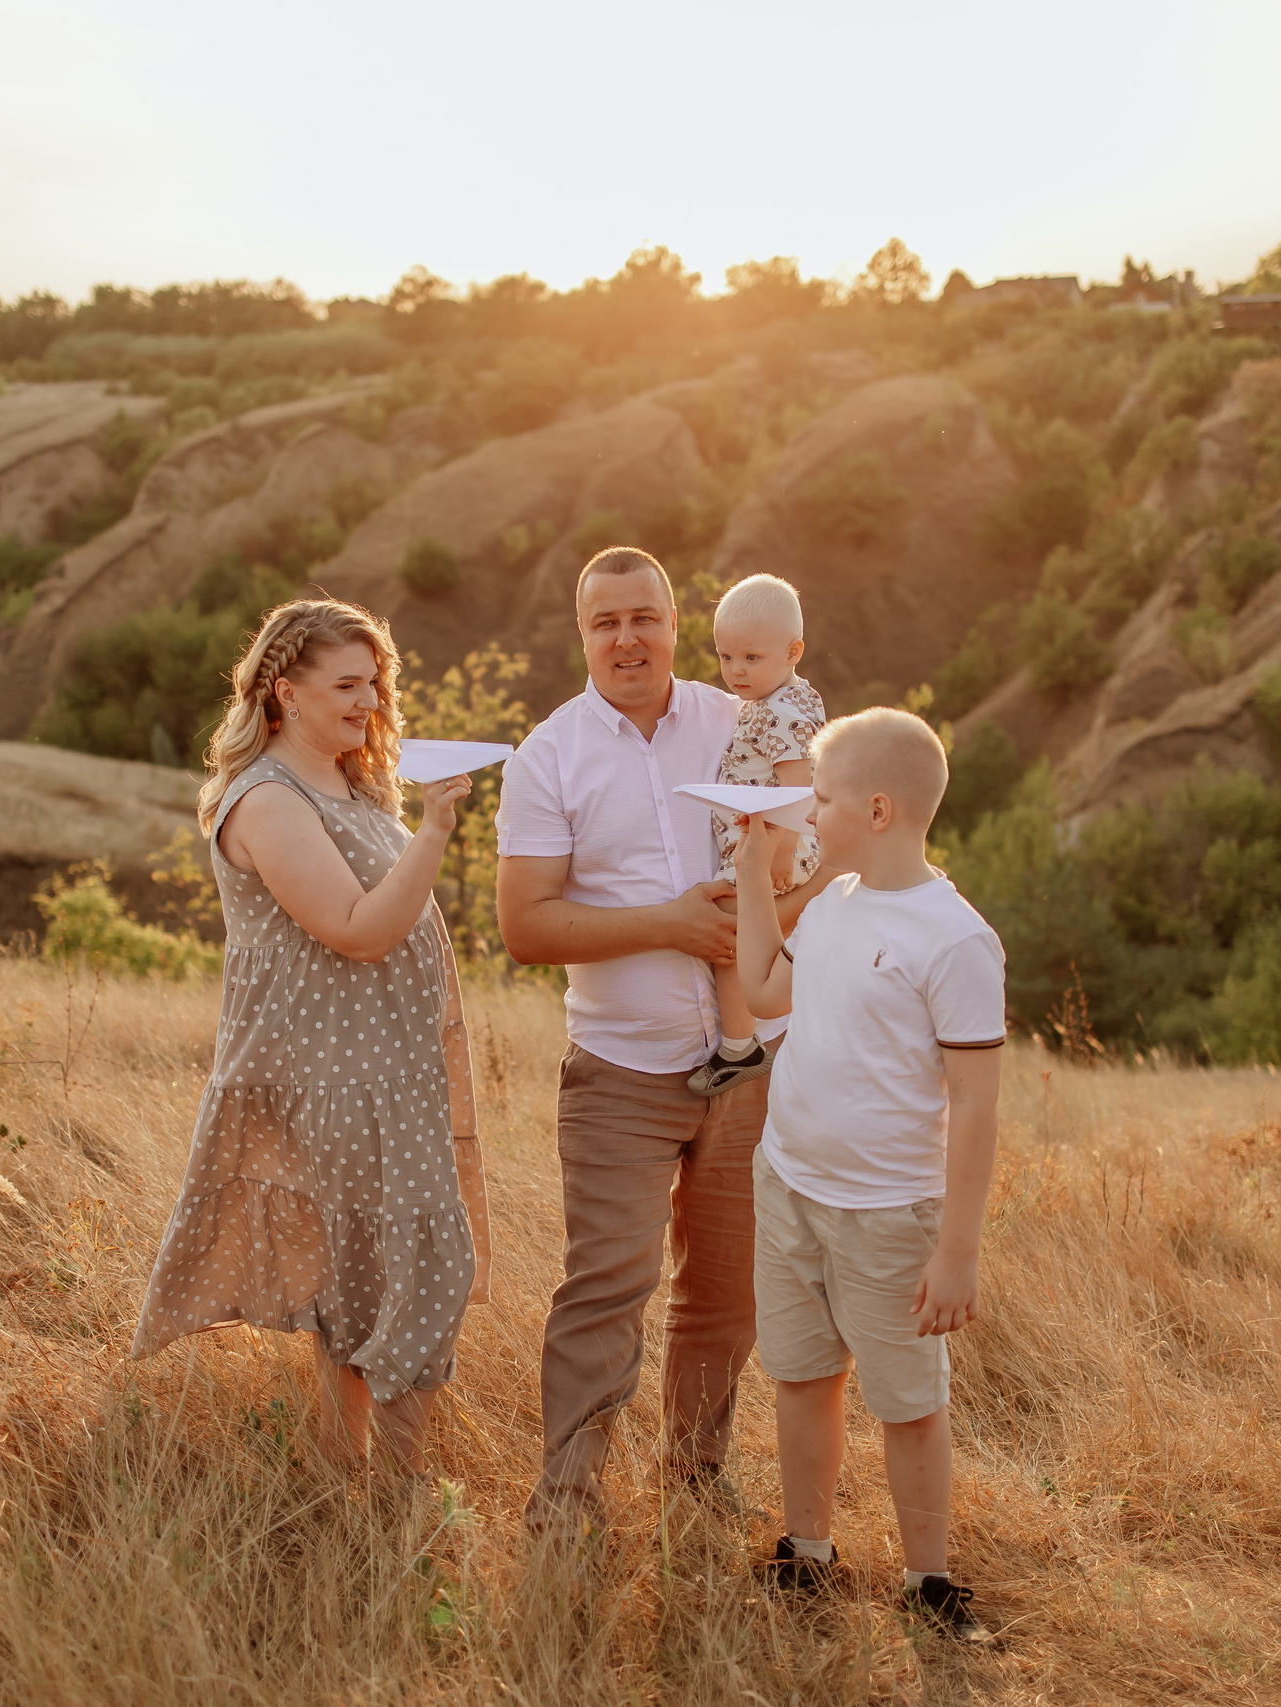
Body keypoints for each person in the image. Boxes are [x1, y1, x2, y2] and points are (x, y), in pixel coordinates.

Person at [495, 546, 829, 1529]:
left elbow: (819, 853)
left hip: (754, 1064)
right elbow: (525, 926)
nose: (627, 637)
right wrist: (672, 925)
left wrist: (767, 920)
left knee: (727, 1291)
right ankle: (566, 1503)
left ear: (676, 625)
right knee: (607, 1286)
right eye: (606, 622)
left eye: (645, 616)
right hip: (621, 1071)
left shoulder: (743, 719)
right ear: (583, 635)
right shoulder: (547, 755)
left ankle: (693, 1486)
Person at [131, 597, 492, 1488]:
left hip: (386, 1070)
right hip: (329, 1072)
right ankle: (399, 1493)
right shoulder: (267, 800)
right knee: (417, 1264)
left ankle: (350, 1478)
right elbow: (358, 930)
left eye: (375, 683)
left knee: (362, 1274)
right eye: (347, 684)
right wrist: (436, 829)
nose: (370, 700)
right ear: (285, 691)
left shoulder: (352, 786)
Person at [729, 706, 1007, 1646]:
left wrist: (957, 1250)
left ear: (878, 809)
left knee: (908, 1402)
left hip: (890, 1215)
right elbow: (763, 991)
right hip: (789, 1188)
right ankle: (807, 1552)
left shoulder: (955, 938)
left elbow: (975, 1104)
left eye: (822, 797)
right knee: (802, 1375)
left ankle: (930, 1583)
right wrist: (752, 875)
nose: (809, 812)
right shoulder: (832, 905)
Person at [688, 573, 826, 1098]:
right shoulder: (789, 697)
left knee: (727, 931)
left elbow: (798, 787)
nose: (736, 671)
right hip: (767, 842)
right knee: (749, 929)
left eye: (751, 658)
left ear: (793, 652)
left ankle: (739, 1045)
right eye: (726, 657)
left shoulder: (782, 713)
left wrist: (781, 852)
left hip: (774, 844)